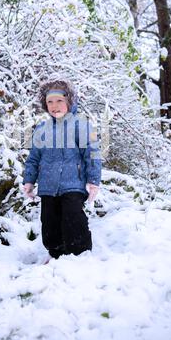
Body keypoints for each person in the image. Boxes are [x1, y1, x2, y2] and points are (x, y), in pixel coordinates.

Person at [22, 79, 101, 259]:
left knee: (72, 218)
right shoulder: (42, 129)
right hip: (48, 185)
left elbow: (92, 154)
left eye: (59, 101)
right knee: (49, 222)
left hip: (73, 183)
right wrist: (29, 180)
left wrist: (93, 181)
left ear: (69, 102)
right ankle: (56, 254)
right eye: (50, 102)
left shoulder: (81, 125)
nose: (54, 106)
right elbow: (34, 158)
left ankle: (80, 254)